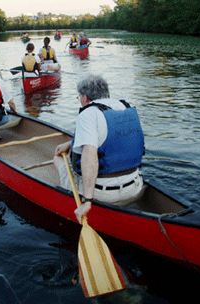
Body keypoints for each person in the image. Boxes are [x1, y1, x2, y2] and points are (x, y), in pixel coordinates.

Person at [54, 75, 145, 223]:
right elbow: (111, 138)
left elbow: (90, 155)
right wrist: (71, 144)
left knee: (58, 157)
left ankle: (71, 191)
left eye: (79, 97)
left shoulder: (88, 114)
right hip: (135, 187)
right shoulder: (125, 107)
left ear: (84, 97)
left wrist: (88, 201)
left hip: (103, 195)